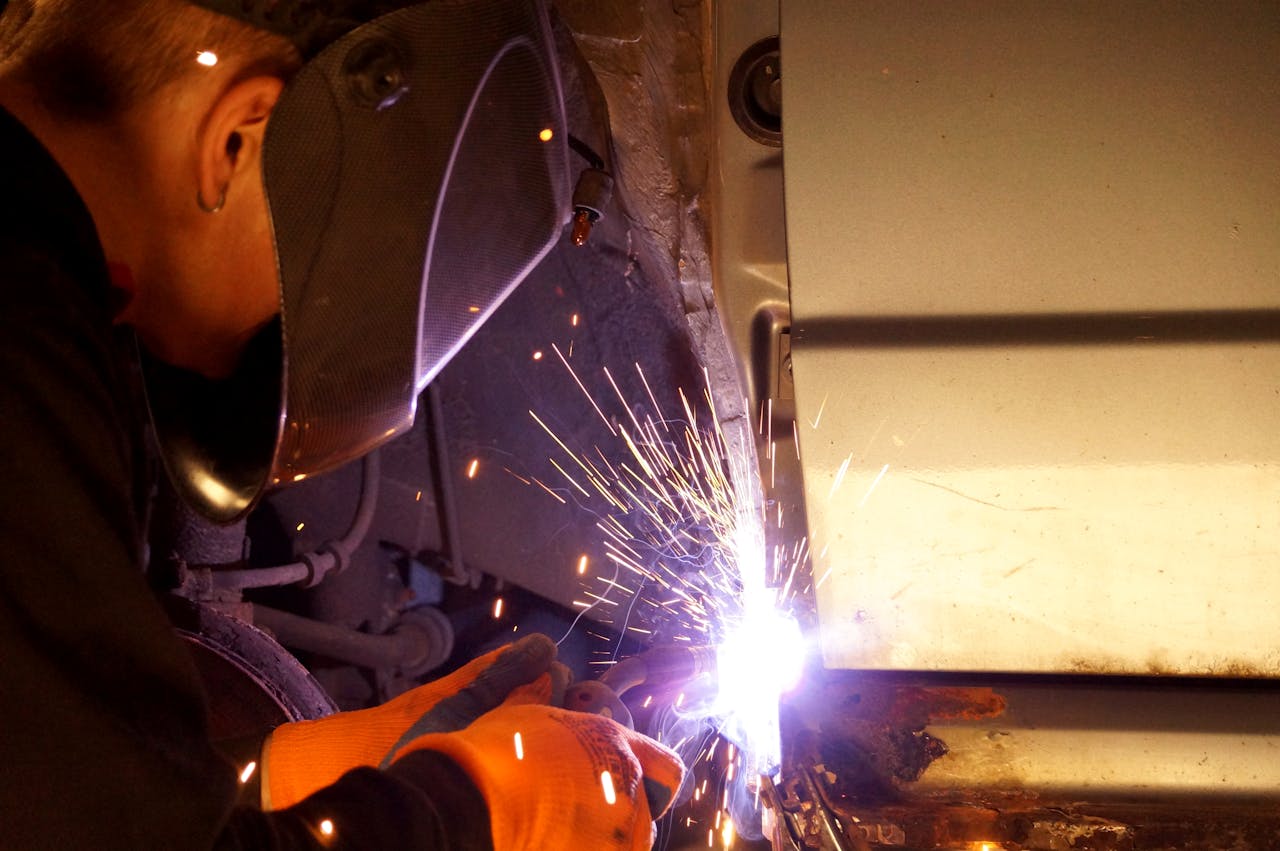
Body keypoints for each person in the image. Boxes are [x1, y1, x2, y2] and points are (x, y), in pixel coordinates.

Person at [0, 0, 683, 847]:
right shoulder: (22, 335)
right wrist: (471, 805)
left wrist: (306, 764)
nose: (258, 351)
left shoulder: (43, 283)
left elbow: (62, 794)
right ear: (240, 141)